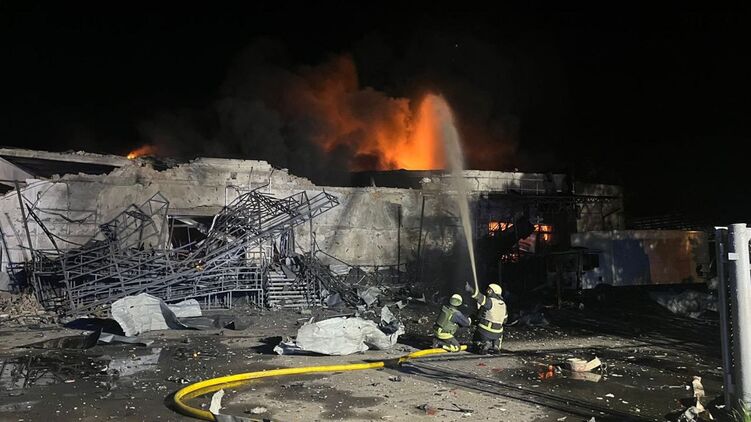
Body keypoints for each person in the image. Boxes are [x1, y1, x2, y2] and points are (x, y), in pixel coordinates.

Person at [466, 282, 507, 354]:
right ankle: (496, 345)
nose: (487, 291)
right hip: (498, 332)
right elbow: (505, 320)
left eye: (489, 290)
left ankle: (485, 343)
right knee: (499, 331)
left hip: (485, 330)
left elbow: (479, 297)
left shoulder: (490, 301)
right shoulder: (504, 305)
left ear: (492, 291)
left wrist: (470, 289)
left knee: (478, 327)